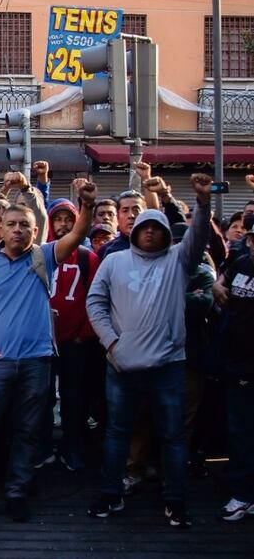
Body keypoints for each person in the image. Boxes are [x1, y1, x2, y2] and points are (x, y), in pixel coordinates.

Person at [0, 179, 97, 524]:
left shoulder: (44, 257)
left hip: (36, 362)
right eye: (12, 224)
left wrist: (88, 206)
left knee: (27, 430)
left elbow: (75, 236)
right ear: (0, 227)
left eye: (25, 226)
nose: (17, 231)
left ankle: (17, 492)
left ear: (36, 231)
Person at [86, 174, 213, 528]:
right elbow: (94, 303)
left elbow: (200, 235)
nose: (151, 232)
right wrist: (111, 343)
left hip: (168, 368)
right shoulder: (114, 262)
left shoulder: (178, 260)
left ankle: (176, 501)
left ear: (166, 234)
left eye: (158, 227)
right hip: (121, 366)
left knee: (173, 438)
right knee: (117, 434)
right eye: (144, 228)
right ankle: (111, 494)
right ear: (134, 232)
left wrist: (202, 203)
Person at [38, 198, 101, 473]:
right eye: (58, 219)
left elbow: (97, 299)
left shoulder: (88, 258)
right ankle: (42, 445)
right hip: (42, 343)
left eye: (69, 220)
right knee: (42, 397)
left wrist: (83, 334)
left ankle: (72, 446)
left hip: (75, 342)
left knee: (74, 398)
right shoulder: (40, 254)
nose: (63, 225)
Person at [215, 225, 254, 521]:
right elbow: (222, 278)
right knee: (240, 431)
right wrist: (218, 285)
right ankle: (242, 494)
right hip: (237, 363)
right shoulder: (241, 263)